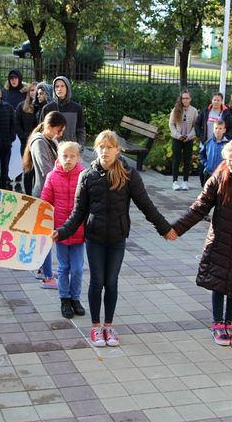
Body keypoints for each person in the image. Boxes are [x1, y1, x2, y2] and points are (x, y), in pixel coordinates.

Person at [53, 131, 176, 347]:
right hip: (95, 239)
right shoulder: (87, 176)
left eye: (109, 147)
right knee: (97, 281)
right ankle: (95, 327)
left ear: (118, 150)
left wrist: (165, 228)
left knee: (111, 282)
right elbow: (77, 214)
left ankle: (108, 326)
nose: (105, 151)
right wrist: (61, 232)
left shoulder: (128, 174)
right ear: (95, 149)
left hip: (117, 238)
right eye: (101, 147)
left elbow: (146, 205)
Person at [171, 139, 232, 346]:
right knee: (218, 282)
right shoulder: (220, 177)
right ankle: (218, 322)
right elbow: (199, 207)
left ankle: (230, 323)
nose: (228, 163)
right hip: (220, 241)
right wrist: (175, 229)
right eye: (226, 159)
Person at [41, 141, 86, 319]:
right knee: (63, 267)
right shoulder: (52, 176)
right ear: (58, 157)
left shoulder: (85, 176)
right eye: (64, 156)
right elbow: (45, 203)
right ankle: (64, 299)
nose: (68, 159)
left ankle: (75, 298)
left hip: (79, 230)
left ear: (78, 157)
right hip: (59, 231)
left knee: (77, 268)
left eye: (72, 156)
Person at [23, 111, 68, 288]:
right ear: (49, 127)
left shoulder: (50, 140)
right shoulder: (39, 142)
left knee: (44, 234)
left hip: (50, 194)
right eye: (58, 130)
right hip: (44, 195)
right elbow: (47, 170)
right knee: (46, 236)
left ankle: (43, 269)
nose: (60, 134)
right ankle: (47, 277)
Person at [14, 83, 43, 194]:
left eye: (36, 90)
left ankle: (37, 195)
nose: (34, 92)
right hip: (26, 143)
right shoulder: (22, 106)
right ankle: (28, 195)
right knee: (28, 171)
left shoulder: (42, 107)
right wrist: (23, 137)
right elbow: (17, 123)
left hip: (39, 143)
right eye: (31, 90)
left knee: (38, 172)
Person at [39, 76, 85, 146]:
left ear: (67, 88)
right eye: (57, 86)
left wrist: (79, 147)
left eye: (62, 86)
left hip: (71, 148)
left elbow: (81, 130)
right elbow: (42, 130)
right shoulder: (47, 108)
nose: (59, 89)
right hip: (52, 148)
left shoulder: (76, 108)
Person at [169, 90, 198, 191]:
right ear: (181, 99)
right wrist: (178, 135)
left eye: (187, 98)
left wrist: (189, 136)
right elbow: (171, 124)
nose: (185, 100)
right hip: (177, 138)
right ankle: (175, 182)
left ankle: (185, 182)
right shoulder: (175, 110)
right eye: (183, 98)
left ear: (190, 99)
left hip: (188, 139)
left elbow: (195, 126)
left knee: (187, 160)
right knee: (176, 159)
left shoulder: (194, 111)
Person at [199, 119, 228, 187]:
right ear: (213, 129)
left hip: (222, 174)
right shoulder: (208, 143)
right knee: (207, 191)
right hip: (209, 173)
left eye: (220, 128)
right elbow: (201, 155)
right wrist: (206, 164)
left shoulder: (227, 144)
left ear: (224, 130)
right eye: (216, 128)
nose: (218, 130)